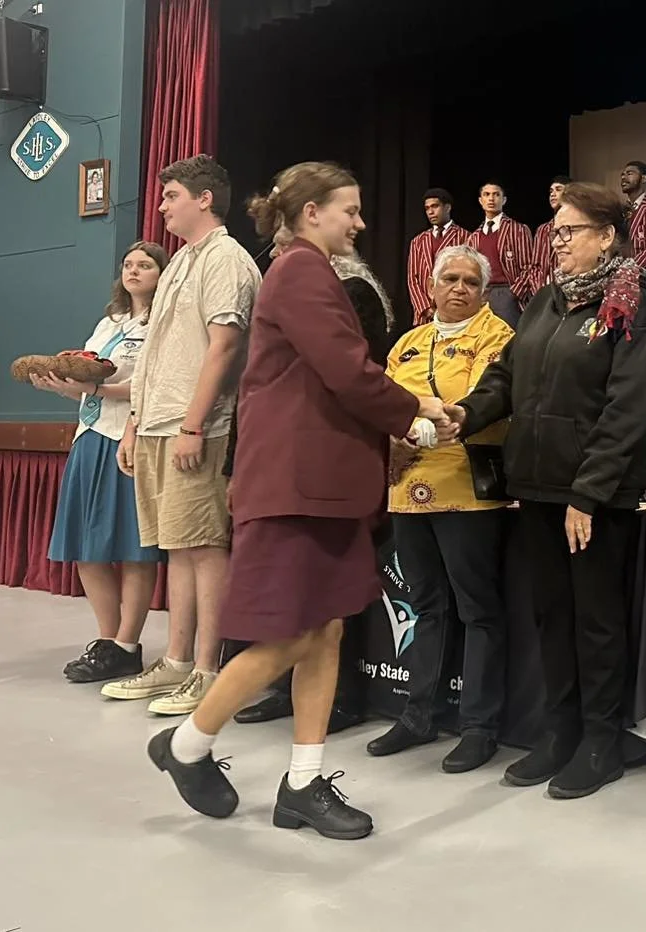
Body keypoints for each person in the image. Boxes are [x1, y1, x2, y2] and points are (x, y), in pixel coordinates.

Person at [147, 161, 447, 839]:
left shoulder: (305, 271)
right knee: (289, 635)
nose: (361, 222)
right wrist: (416, 411)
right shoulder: (303, 271)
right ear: (311, 212)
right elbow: (347, 368)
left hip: (323, 488)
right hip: (296, 488)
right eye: (351, 208)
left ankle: (304, 784)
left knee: (327, 628)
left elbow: (337, 375)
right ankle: (187, 744)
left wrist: (412, 416)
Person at [444, 181, 646, 800]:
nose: (557, 241)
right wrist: (467, 413)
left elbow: (627, 408)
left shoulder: (633, 302)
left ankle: (601, 740)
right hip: (537, 487)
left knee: (596, 623)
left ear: (606, 236)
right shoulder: (547, 299)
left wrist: (587, 494)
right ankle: (560, 730)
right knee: (552, 616)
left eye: (570, 231)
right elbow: (507, 374)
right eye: (555, 231)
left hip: (592, 498)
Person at [108, 155, 261, 716]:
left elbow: (224, 347)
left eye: (171, 195)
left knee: (203, 546)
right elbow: (157, 352)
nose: (162, 204)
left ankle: (207, 669)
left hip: (195, 425)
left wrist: (195, 424)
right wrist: (132, 423)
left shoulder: (225, 259)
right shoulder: (177, 264)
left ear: (204, 199)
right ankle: (175, 661)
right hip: (156, 423)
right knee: (177, 547)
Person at [229, 229, 395, 732]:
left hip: (329, 461)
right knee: (294, 607)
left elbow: (357, 376)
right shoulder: (288, 283)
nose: (280, 252)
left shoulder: (352, 290)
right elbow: (261, 385)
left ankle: (338, 701)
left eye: (285, 241)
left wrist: (411, 413)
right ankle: (279, 700)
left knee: (327, 610)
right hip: (286, 459)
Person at [365, 245, 515, 774]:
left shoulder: (497, 337)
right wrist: (391, 438)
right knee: (426, 606)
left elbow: (487, 399)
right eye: (448, 279)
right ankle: (418, 713)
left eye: (470, 282)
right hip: (406, 487)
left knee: (478, 609)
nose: (458, 289)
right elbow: (377, 400)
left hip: (467, 490)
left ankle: (480, 726)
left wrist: (428, 424)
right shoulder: (407, 343)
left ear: (483, 291)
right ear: (429, 287)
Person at [41, 242, 169, 683]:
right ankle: (107, 639)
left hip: (129, 439)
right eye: (129, 265)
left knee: (133, 547)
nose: (134, 271)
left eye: (146, 265)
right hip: (91, 437)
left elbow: (151, 386)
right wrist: (62, 384)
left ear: (162, 273)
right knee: (85, 547)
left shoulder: (162, 324)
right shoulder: (109, 322)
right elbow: (89, 377)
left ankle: (128, 643)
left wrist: (93, 392)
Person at [463, 181, 533, 328]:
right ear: (480, 201)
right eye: (486, 195)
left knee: (507, 338)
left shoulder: (517, 230)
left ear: (504, 200)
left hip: (506, 291)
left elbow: (529, 266)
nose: (491, 199)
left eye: (496, 194)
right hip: (482, 293)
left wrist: (514, 293)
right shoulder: (473, 237)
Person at [406, 187, 469, 326]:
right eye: (427, 208)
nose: (430, 212)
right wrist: (425, 307)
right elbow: (413, 279)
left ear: (447, 207)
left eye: (435, 206)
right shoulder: (418, 241)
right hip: (425, 314)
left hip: (453, 311)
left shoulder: (465, 238)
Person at [515, 175, 570, 304]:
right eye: (551, 191)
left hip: (568, 291)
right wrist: (538, 288)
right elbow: (535, 265)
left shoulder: (577, 226)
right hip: (544, 293)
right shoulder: (543, 229)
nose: (553, 194)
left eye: (558, 189)